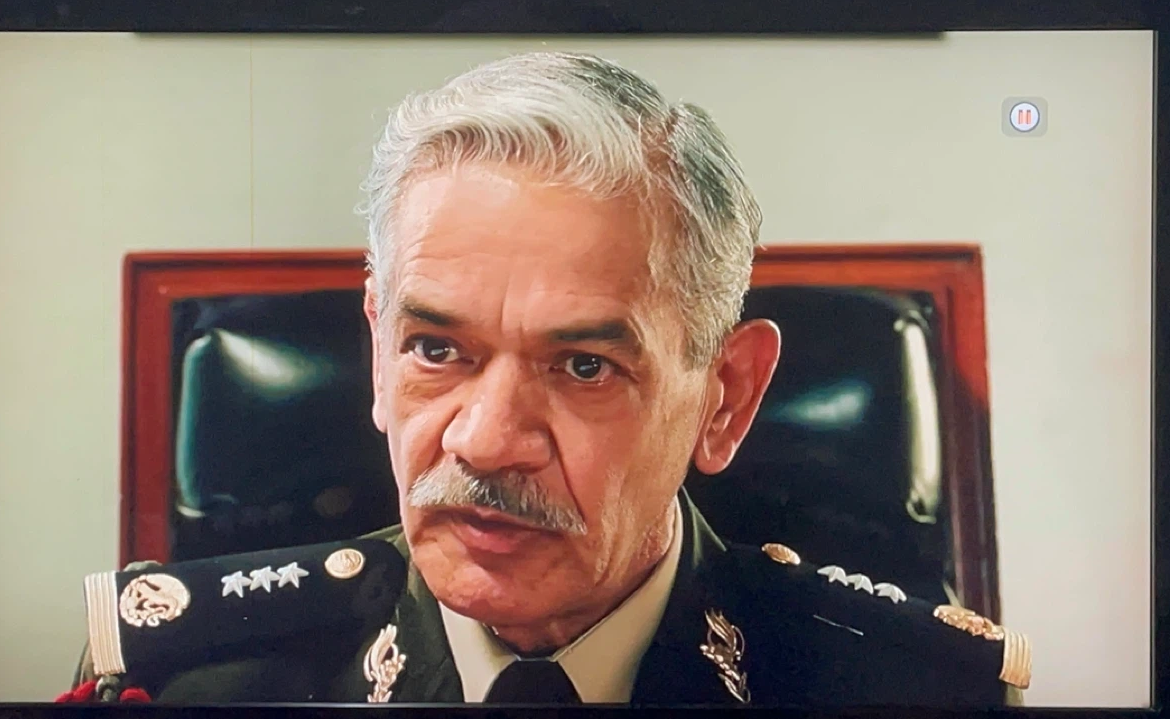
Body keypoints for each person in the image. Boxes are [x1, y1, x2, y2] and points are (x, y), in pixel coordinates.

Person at [64, 51, 1030, 707]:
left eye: (583, 366)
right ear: (377, 353)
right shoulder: (184, 675)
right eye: (435, 349)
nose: (484, 440)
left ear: (725, 397)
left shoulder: (922, 691)